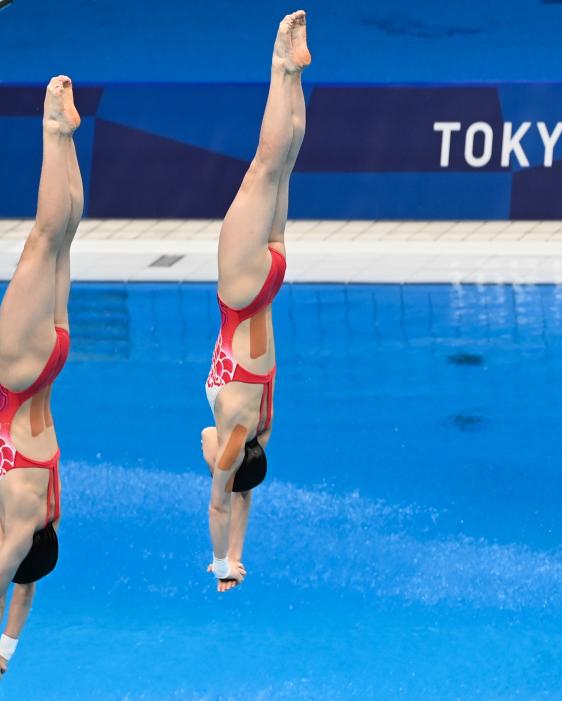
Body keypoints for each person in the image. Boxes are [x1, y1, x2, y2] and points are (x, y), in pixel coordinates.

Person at [0, 75, 83, 683]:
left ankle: (65, 136)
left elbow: (27, 592)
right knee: (42, 239)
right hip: (20, 371)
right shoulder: (16, 533)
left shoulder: (49, 516)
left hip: (54, 357)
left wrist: (12, 654)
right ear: (17, 555)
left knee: (63, 240)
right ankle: (50, 126)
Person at [201, 10, 310, 593]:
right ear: (233, 458)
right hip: (242, 292)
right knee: (264, 165)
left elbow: (243, 497)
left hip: (271, 278)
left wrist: (239, 559)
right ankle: (278, 63)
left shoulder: (263, 428)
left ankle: (294, 74)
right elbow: (223, 504)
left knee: (285, 164)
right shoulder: (237, 430)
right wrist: (220, 560)